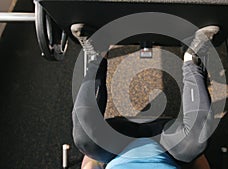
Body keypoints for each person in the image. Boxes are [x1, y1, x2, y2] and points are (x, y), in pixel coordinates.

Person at [72, 25, 220, 169]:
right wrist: (195, 150)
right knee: (198, 139)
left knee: (83, 135)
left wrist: (91, 147)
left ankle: (97, 55)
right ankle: (192, 58)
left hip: (117, 146)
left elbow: (90, 164)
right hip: (167, 146)